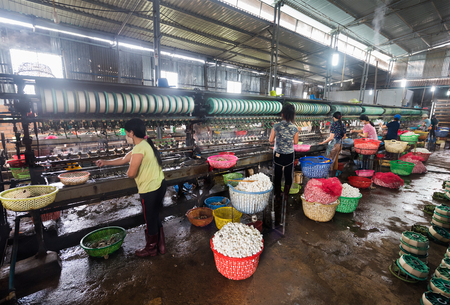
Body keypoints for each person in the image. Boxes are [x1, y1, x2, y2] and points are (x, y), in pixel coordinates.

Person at [96, 119, 166, 258]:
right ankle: (161, 246)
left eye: (126, 132)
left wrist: (128, 172)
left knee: (150, 219)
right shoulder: (144, 144)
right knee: (154, 216)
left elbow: (131, 173)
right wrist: (105, 162)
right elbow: (124, 159)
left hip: (149, 190)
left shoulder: (139, 148)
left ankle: (151, 249)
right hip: (160, 185)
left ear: (132, 132)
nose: (126, 135)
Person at [269, 103, 299, 204]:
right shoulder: (294, 128)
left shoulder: (276, 126)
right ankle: (285, 195)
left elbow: (271, 140)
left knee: (277, 175)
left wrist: (277, 141)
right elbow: (295, 142)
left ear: (282, 114)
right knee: (288, 175)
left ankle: (277, 195)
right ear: (292, 115)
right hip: (289, 155)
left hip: (278, 154)